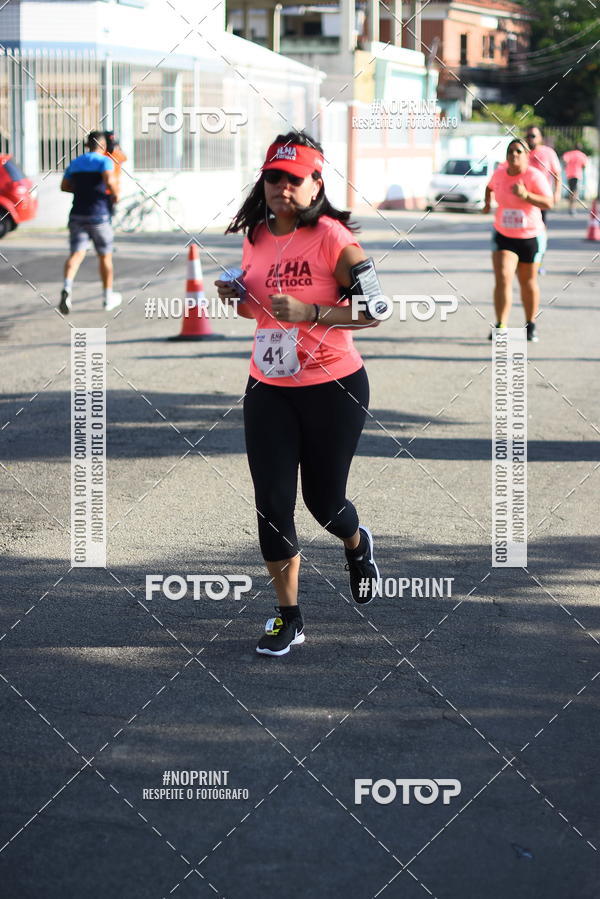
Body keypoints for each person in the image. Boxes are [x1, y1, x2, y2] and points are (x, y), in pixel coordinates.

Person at [215, 130, 383, 657]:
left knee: (324, 503)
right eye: (273, 178)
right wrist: (237, 296)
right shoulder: (256, 236)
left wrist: (312, 312)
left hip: (334, 387)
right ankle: (289, 616)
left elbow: (375, 311)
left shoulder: (335, 239)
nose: (282, 187)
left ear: (316, 184)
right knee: (272, 506)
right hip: (268, 387)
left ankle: (357, 545)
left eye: (294, 179)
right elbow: (256, 307)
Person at [484, 138, 553, 343]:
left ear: (526, 155)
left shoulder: (534, 176)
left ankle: (530, 324)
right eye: (510, 151)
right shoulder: (499, 174)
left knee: (527, 282)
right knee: (503, 277)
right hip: (504, 234)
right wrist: (487, 205)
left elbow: (549, 202)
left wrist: (526, 194)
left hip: (530, 236)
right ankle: (501, 325)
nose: (514, 155)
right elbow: (489, 187)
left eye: (518, 151)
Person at [59, 130, 121, 314]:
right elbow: (109, 182)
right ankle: (107, 297)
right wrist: (115, 195)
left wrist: (81, 191)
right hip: (99, 215)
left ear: (87, 145)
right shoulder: (104, 161)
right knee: (105, 256)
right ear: (102, 146)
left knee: (76, 254)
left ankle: (67, 289)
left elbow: (64, 186)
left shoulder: (76, 162)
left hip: (77, 213)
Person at [524, 127, 561, 225]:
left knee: (540, 226)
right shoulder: (521, 152)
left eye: (533, 136)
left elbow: (556, 173)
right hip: (524, 196)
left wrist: (557, 192)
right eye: (527, 136)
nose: (530, 138)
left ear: (540, 138)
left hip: (541, 197)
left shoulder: (548, 152)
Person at [562, 143, 588, 215]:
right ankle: (572, 208)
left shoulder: (569, 154)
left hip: (569, 174)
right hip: (577, 175)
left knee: (572, 191)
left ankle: (571, 207)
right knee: (575, 192)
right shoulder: (582, 155)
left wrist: (566, 166)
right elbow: (584, 165)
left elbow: (564, 160)